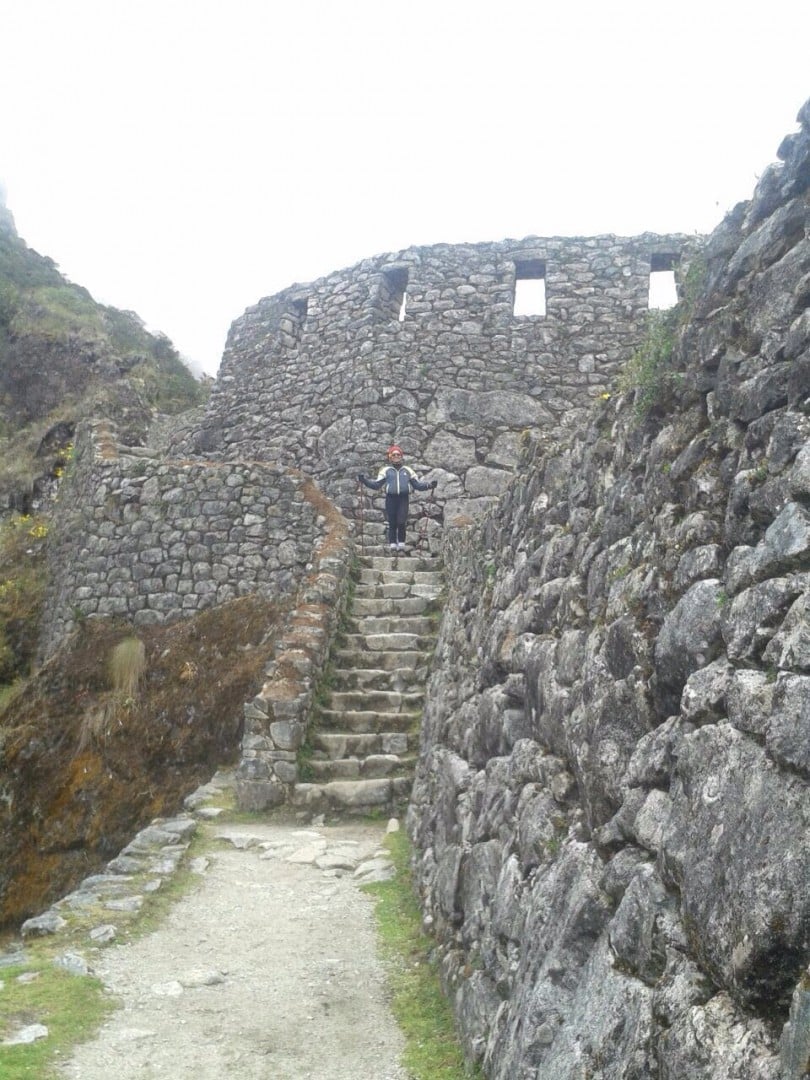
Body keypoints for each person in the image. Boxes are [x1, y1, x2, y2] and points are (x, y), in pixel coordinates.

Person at [358, 445, 437, 552]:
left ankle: (401, 545)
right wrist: (364, 481)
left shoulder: (408, 470)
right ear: (390, 457)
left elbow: (417, 485)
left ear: (401, 456)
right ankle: (392, 545)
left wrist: (429, 485)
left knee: (401, 522)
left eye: (398, 454)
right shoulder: (386, 470)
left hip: (403, 499)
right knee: (392, 522)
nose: (396, 456)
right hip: (390, 498)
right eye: (393, 455)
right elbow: (376, 485)